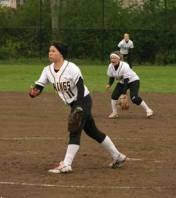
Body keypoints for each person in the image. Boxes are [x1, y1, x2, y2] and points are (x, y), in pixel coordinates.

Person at [29, 42, 127, 174]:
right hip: (73, 104)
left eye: (53, 51)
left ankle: (66, 164)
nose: (50, 53)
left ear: (61, 53)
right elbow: (39, 86)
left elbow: (80, 86)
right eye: (49, 51)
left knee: (74, 130)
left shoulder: (71, 67)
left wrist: (79, 106)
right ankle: (118, 156)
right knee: (93, 132)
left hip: (83, 100)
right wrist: (34, 92)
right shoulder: (47, 70)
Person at [106, 51, 153, 119]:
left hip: (133, 80)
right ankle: (114, 113)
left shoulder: (124, 66)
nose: (112, 60)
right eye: (111, 58)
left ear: (119, 59)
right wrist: (109, 84)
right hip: (122, 82)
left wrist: (124, 94)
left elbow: (126, 80)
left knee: (134, 98)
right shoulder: (110, 66)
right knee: (114, 96)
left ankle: (148, 110)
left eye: (114, 58)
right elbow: (112, 76)